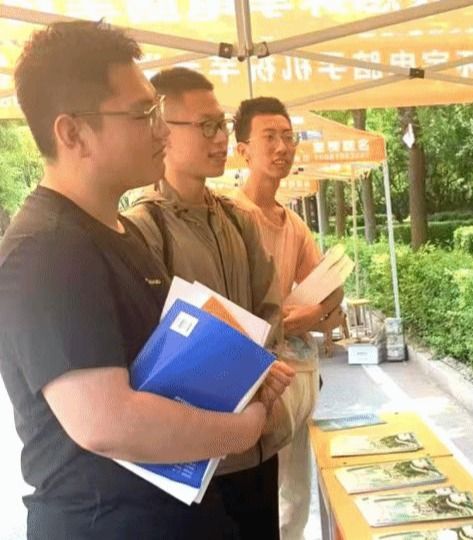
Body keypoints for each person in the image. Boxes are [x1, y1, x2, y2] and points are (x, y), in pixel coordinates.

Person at [0, 21, 284, 539]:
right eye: (142, 114)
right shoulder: (46, 250)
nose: (161, 132)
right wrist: (241, 430)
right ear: (72, 133)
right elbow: (107, 422)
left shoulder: (120, 230)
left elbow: (158, 368)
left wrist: (244, 376)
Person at [123, 67, 295, 540]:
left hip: (257, 443)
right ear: (163, 128)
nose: (221, 138)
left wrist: (259, 382)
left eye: (222, 125)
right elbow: (152, 349)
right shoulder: (142, 229)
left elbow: (269, 311)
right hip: (195, 462)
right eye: (207, 126)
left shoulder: (238, 221)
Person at [230, 96, 344, 540]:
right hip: (252, 380)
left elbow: (330, 301)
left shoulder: (292, 224)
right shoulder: (227, 216)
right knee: (258, 496)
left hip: (297, 377)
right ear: (243, 150)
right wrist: (298, 319)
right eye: (269, 137)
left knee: (295, 497)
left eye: (288, 137)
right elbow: (235, 314)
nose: (282, 147)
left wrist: (314, 313)